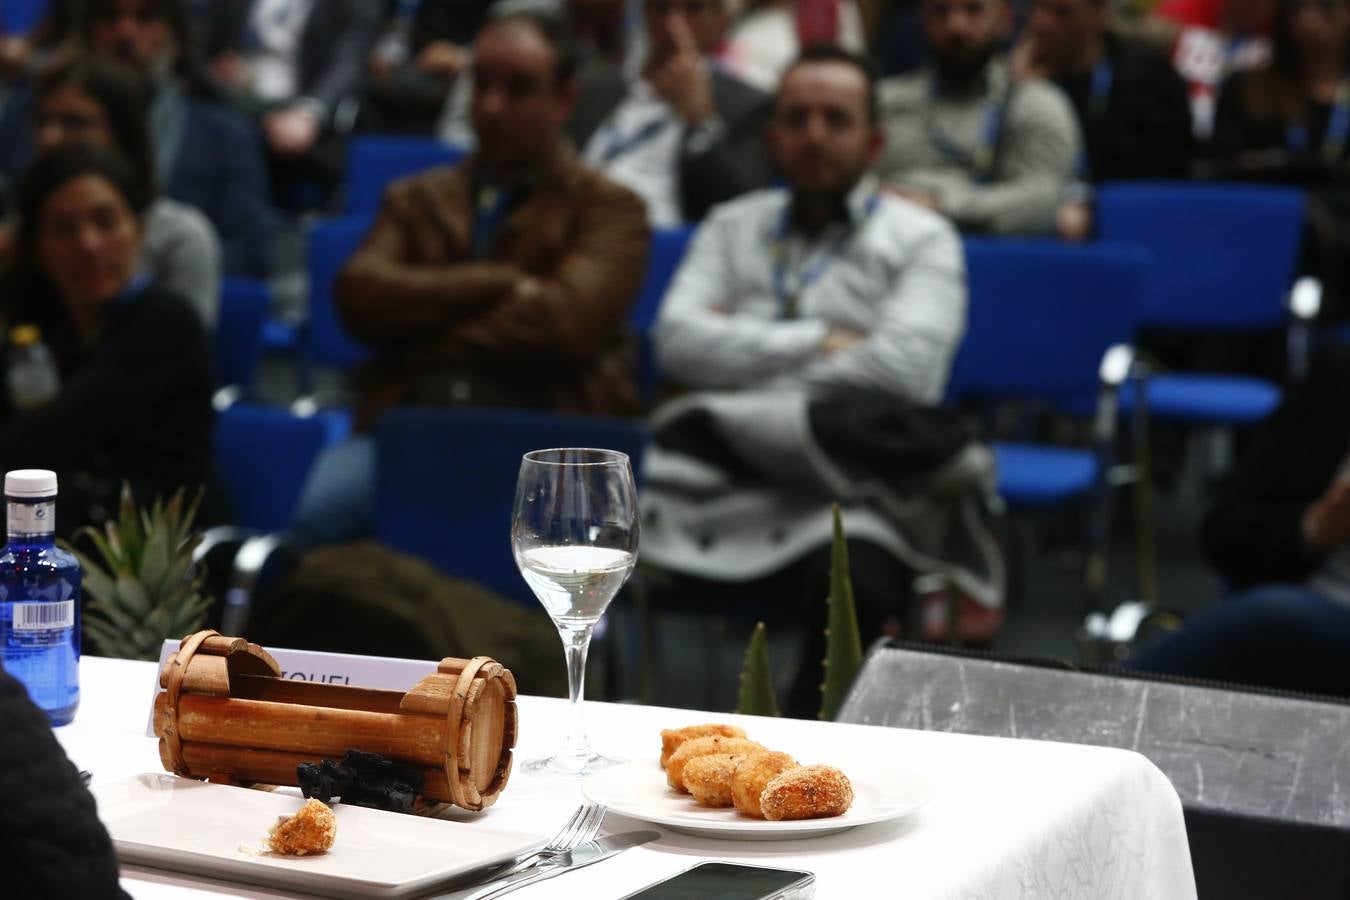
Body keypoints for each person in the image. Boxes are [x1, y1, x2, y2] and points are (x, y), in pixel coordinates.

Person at [644, 45, 1000, 718]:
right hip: (729, 474)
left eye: (836, 119)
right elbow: (676, 342)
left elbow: (905, 372)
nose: (815, 136)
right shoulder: (730, 226)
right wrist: (818, 339)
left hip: (858, 481)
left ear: (874, 140)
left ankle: (812, 758)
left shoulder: (924, 238)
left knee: (855, 580)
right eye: (797, 118)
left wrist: (739, 348)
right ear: (772, 135)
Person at [288, 10, 649, 546]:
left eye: (518, 88)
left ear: (565, 99)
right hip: (412, 426)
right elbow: (358, 298)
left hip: (545, 440)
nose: (491, 106)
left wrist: (419, 332)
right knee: (314, 521)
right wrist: (499, 281)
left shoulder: (611, 209)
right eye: (481, 83)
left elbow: (564, 324)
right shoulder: (416, 197)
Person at [0, 144, 216, 535]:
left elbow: (45, 437)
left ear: (139, 230)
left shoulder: (166, 322)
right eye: (64, 229)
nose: (89, 244)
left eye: (106, 222)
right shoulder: (47, 330)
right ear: (37, 247)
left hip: (155, 554)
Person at [1128, 347, 1350, 695]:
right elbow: (1223, 531)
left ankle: (1098, 698)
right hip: (1291, 597)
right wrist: (1314, 528)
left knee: (1274, 615)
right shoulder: (1336, 377)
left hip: (1289, 615)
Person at [20, 55, 221, 326]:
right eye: (43, 122)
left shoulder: (180, 236)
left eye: (74, 122)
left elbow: (180, 356)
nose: (50, 137)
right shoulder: (20, 230)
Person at [81, 0, 277, 277]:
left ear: (175, 36)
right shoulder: (47, 120)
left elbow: (250, 252)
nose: (125, 32)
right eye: (109, 16)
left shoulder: (225, 135)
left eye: (146, 17)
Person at [876, 0, 1081, 235]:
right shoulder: (882, 102)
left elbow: (1044, 200)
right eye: (940, 12)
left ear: (1006, 20)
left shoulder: (1037, 104)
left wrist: (940, 205)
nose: (956, 26)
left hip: (993, 258)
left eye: (974, 10)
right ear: (924, 22)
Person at [1202, 0, 1350, 321]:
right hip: (1257, 241)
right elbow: (1217, 170)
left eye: (1324, 9)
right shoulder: (1247, 87)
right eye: (1297, 9)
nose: (1309, 21)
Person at [565, 0, 775, 226]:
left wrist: (702, 122)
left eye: (694, 8)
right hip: (573, 222)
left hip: (662, 240)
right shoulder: (594, 88)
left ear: (721, 20)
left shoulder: (746, 104)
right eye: (661, 7)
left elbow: (746, 207)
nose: (673, 24)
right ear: (644, 14)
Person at [1013, 0, 1193, 240]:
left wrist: (1096, 207)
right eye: (1036, 9)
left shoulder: (1151, 83)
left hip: (1128, 228)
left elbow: (1165, 184)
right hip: (1033, 227)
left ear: (1099, 15)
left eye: (1061, 12)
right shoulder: (1011, 82)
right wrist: (1021, 95)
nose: (1041, 23)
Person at [198, 0, 383, 207]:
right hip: (236, 103)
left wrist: (309, 112)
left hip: (304, 106)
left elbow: (350, 61)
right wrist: (218, 69)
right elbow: (205, 49)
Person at [359, 0, 497, 134]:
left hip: (452, 88)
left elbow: (507, 28)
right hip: (385, 87)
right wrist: (380, 48)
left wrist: (463, 55)